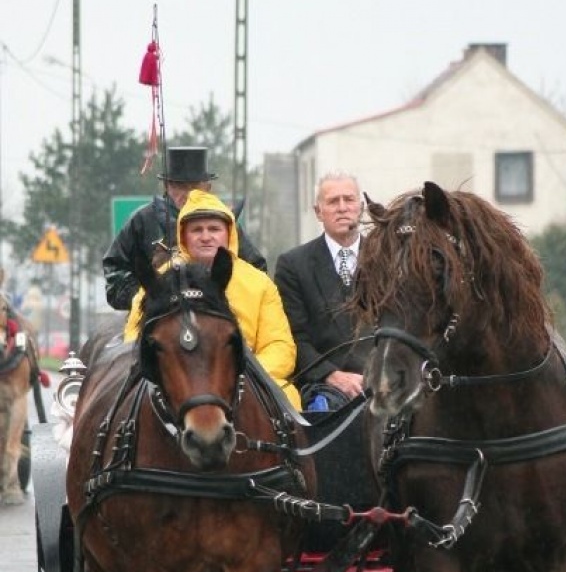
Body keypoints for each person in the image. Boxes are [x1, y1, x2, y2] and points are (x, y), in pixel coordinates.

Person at [124, 188, 301, 410]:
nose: (206, 236)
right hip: (176, 385)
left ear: (229, 233)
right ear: (183, 236)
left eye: (214, 229)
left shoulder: (259, 283)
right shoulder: (160, 281)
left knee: (289, 398)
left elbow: (280, 346)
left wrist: (237, 373)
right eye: (197, 230)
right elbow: (133, 339)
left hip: (249, 382)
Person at [103, 146, 267, 311]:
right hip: (154, 318)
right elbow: (114, 274)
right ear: (167, 187)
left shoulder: (225, 223)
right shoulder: (142, 221)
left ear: (208, 188)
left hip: (217, 315)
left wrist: (221, 295)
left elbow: (257, 272)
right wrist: (149, 295)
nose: (188, 194)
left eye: (194, 186)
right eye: (179, 186)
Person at [274, 171, 373, 407]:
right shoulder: (293, 265)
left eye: (348, 200)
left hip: (382, 382)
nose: (342, 208)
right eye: (332, 201)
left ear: (360, 207)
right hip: (324, 388)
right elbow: (294, 337)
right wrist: (332, 376)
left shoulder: (388, 259)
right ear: (319, 212)